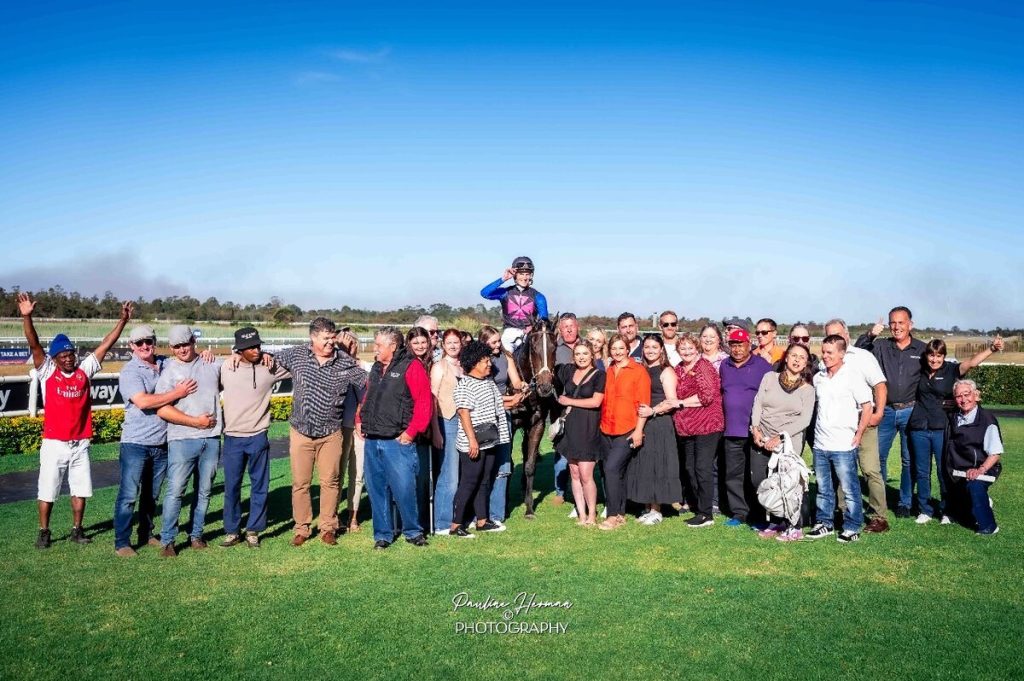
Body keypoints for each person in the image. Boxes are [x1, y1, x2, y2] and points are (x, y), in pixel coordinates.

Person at [18, 292, 131, 549]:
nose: (69, 358)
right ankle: (44, 531)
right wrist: (27, 316)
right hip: (54, 443)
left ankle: (77, 530)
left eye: (71, 354)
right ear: (55, 359)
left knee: (80, 489)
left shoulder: (85, 370)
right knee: (47, 490)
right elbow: (34, 344)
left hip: (80, 443)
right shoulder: (47, 371)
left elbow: (106, 344)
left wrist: (122, 321)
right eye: (63, 355)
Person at [269, 317, 368, 547]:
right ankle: (302, 528)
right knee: (301, 483)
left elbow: (369, 383)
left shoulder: (344, 362)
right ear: (313, 337)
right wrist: (238, 355)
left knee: (330, 482)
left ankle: (328, 527)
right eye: (326, 338)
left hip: (331, 433)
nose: (331, 343)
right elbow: (268, 361)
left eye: (333, 338)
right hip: (301, 431)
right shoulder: (297, 354)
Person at [114, 324, 197, 557]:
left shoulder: (164, 363)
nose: (144, 346)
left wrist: (206, 354)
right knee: (129, 494)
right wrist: (176, 394)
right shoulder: (130, 371)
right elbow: (143, 402)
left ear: (154, 342)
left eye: (148, 342)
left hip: (162, 442)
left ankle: (146, 533)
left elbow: (189, 359)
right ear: (131, 346)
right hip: (135, 442)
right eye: (139, 343)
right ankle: (122, 541)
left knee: (151, 494)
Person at [908, 336, 1003, 524]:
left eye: (939, 356)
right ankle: (925, 509)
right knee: (921, 471)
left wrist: (992, 348)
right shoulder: (920, 371)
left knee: (944, 471)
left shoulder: (952, 370)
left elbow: (972, 362)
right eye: (931, 355)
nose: (935, 360)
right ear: (926, 356)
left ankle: (947, 510)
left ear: (944, 356)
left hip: (942, 428)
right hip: (919, 427)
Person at [358, 327, 433, 550]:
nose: (375, 349)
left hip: (397, 441)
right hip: (373, 440)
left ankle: (413, 531)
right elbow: (368, 395)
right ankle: (383, 534)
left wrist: (411, 432)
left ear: (393, 346)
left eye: (379, 345)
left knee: (404, 489)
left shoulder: (412, 366)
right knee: (376, 489)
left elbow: (424, 402)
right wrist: (360, 418)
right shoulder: (376, 368)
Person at [155, 325, 224, 556]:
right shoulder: (169, 372)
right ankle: (168, 540)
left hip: (212, 438)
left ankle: (196, 535)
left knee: (204, 491)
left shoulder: (212, 363)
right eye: (176, 346)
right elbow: (162, 410)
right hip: (182, 440)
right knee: (175, 491)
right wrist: (195, 422)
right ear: (171, 348)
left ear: (194, 341)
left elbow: (238, 365)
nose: (182, 350)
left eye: (185, 344)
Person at [218, 327, 289, 549]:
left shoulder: (270, 366)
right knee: (232, 486)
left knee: (260, 486)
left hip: (258, 436)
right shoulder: (226, 367)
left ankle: (253, 531)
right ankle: (232, 530)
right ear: (239, 349)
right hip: (232, 438)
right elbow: (202, 362)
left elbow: (298, 362)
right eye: (251, 347)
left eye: (259, 346)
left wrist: (272, 357)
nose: (257, 350)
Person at [856, 306, 928, 518]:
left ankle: (905, 503)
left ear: (910, 324)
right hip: (884, 411)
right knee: (878, 459)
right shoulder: (880, 346)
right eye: (892, 323)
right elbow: (857, 350)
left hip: (911, 411)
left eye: (901, 322)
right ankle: (880, 501)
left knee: (908, 460)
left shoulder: (921, 349)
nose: (896, 327)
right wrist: (871, 334)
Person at [823, 319, 889, 533]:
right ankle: (845, 513)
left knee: (870, 469)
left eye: (838, 335)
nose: (835, 339)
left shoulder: (862, 357)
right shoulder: (826, 361)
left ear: (847, 335)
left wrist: (879, 412)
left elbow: (879, 385)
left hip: (865, 420)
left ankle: (879, 516)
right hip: (841, 426)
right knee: (843, 471)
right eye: (830, 335)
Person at [806, 335, 872, 543]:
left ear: (842, 353)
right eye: (823, 352)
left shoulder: (852, 376)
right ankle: (824, 523)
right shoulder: (819, 378)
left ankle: (852, 527)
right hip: (820, 444)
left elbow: (867, 406)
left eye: (830, 353)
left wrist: (859, 433)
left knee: (850, 489)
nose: (825, 356)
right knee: (823, 489)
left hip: (843, 445)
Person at [750, 343, 816, 540]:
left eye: (801, 357)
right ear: (785, 358)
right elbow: (758, 402)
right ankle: (776, 522)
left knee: (789, 486)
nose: (796, 360)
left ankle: (795, 526)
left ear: (805, 363)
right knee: (761, 482)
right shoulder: (769, 378)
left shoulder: (807, 390)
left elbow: (804, 420)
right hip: (761, 437)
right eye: (793, 355)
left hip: (788, 442)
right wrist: (755, 428)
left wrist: (779, 437)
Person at [448, 341, 511, 538]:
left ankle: (482, 520)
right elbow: (464, 413)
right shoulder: (465, 384)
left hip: (490, 440)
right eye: (485, 361)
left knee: (484, 480)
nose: (489, 364)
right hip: (473, 443)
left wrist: (517, 399)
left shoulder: (488, 382)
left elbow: (498, 403)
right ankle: (456, 524)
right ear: (474, 363)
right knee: (469, 482)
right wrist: (472, 440)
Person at [719, 328, 772, 527]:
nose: (737, 349)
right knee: (733, 474)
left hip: (756, 430)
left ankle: (759, 512)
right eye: (733, 345)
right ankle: (739, 512)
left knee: (757, 474)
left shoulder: (762, 366)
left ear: (749, 345)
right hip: (732, 430)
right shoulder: (724, 365)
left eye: (741, 345)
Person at [598, 334, 651, 530]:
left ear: (628, 349)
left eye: (621, 348)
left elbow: (644, 403)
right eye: (614, 349)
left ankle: (611, 515)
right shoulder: (609, 370)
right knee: (614, 472)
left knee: (611, 469)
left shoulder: (638, 371)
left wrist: (639, 431)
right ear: (609, 351)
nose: (618, 352)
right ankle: (620, 512)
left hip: (627, 430)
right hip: (606, 428)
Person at [672, 333, 725, 528]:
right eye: (682, 348)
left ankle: (706, 513)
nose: (686, 352)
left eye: (690, 348)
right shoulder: (678, 369)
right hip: (687, 427)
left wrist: (681, 402)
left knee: (702, 468)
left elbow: (707, 396)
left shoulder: (703, 367)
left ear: (697, 349)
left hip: (707, 425)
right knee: (690, 468)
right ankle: (697, 506)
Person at [629, 335, 682, 524]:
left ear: (661, 349)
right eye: (647, 347)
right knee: (644, 464)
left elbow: (672, 401)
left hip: (659, 422)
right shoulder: (641, 369)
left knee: (658, 464)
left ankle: (657, 509)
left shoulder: (666, 371)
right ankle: (646, 506)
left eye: (654, 347)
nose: (650, 350)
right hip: (642, 421)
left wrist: (653, 411)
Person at [479, 326, 526, 530]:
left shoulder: (507, 357)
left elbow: (515, 381)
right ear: (484, 343)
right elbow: (484, 392)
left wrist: (522, 387)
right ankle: (480, 512)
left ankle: (497, 513)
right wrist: (510, 399)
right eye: (494, 342)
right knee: (483, 465)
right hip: (485, 414)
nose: (498, 345)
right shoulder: (480, 361)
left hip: (503, 414)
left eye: (499, 341)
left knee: (503, 464)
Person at [555, 341, 606, 526]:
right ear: (573, 356)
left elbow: (595, 402)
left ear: (592, 355)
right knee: (574, 472)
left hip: (588, 427)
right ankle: (581, 514)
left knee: (586, 474)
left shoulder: (599, 375)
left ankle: (592, 514)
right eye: (578, 354)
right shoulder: (569, 371)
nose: (582, 357)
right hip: (571, 427)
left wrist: (568, 400)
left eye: (585, 353)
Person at [946, 379, 1003, 535]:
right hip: (959, 468)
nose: (964, 400)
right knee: (964, 510)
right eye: (959, 396)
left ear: (975, 395)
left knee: (975, 485)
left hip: (985, 466)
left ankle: (989, 527)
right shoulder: (953, 417)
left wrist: (980, 470)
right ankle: (981, 501)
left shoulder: (987, 420)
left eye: (967, 394)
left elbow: (995, 453)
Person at [407, 326, 444, 532]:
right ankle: (412, 521)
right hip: (412, 424)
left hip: (429, 424)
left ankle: (424, 519)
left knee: (424, 477)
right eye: (416, 343)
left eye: (423, 342)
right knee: (413, 476)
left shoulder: (432, 364)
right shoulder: (408, 364)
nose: (421, 346)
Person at [431, 329, 464, 534]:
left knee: (463, 474)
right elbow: (433, 399)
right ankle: (442, 521)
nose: (453, 346)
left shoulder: (465, 366)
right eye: (449, 342)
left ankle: (458, 517)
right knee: (449, 475)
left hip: (466, 422)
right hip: (447, 422)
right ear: (443, 345)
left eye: (456, 342)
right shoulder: (438, 367)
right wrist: (436, 430)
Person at [480, 256, 549, 352]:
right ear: (515, 275)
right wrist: (503, 279)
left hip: (529, 333)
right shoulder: (505, 292)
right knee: (506, 356)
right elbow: (484, 293)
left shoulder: (539, 297)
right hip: (509, 333)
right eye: (521, 274)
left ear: (531, 275)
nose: (524, 277)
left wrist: (533, 327)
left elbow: (544, 319)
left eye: (527, 274)